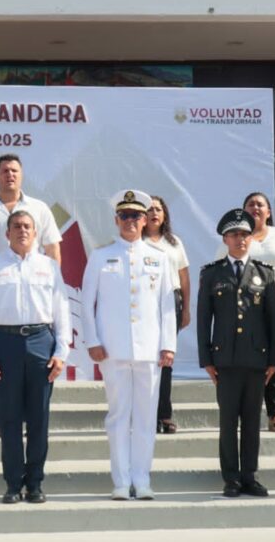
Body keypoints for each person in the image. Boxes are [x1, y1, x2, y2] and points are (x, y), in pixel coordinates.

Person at [81, 189, 176, 501]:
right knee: (118, 417)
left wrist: (168, 345)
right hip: (113, 349)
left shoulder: (160, 258)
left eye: (136, 215)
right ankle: (121, 481)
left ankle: (142, 479)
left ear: (145, 219)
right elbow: (87, 303)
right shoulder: (100, 256)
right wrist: (92, 340)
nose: (131, 221)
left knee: (147, 418)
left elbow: (166, 306)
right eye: (125, 215)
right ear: (116, 219)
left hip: (149, 349)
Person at [0, 154, 62, 441]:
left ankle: (30, 418)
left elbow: (53, 249)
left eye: (15, 170)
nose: (10, 175)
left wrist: (54, 292)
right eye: (5, 171)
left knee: (32, 364)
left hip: (32, 294)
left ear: (22, 175)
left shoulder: (39, 209)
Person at [0, 210, 71, 504]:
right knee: (9, 419)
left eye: (27, 226)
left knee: (39, 419)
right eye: (16, 226)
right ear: (7, 233)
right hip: (6, 344)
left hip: (42, 341)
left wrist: (62, 351)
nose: (22, 231)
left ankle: (36, 483)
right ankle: (13, 483)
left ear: (36, 232)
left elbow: (62, 311)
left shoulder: (49, 267)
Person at [197, 209, 275, 498]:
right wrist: (206, 359)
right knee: (228, 421)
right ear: (225, 238)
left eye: (245, 234)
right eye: (234, 234)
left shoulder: (264, 273)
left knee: (252, 421)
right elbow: (202, 318)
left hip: (257, 360)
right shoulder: (212, 273)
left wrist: (273, 360)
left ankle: (250, 476)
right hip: (226, 360)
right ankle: (231, 478)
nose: (240, 239)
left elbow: (274, 321)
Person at [218, 192, 275, 433]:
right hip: (245, 307)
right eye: (250, 204)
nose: (255, 208)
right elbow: (219, 270)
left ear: (269, 211)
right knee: (249, 358)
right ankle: (246, 412)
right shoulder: (236, 235)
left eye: (260, 204)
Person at [142, 195, 191, 434]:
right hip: (143, 305)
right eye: (149, 209)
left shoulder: (174, 243)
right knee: (144, 361)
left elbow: (184, 278)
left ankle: (164, 414)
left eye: (158, 209)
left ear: (165, 215)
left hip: (172, 304)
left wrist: (187, 308)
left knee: (165, 360)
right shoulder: (136, 243)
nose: (154, 213)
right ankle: (145, 415)